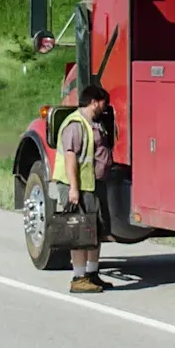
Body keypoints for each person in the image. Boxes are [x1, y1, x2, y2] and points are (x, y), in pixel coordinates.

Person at [54, 85, 115, 293]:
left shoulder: (93, 123)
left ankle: (92, 274)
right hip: (78, 186)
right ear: (94, 102)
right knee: (79, 232)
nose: (105, 107)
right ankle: (78, 278)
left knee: (94, 231)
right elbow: (71, 158)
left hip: (91, 185)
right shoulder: (75, 124)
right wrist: (73, 189)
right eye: (103, 102)